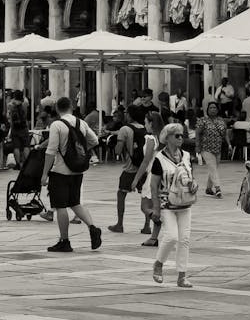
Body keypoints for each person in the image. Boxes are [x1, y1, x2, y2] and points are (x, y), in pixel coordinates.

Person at [40, 97, 102, 253]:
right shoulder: (81, 123)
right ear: (71, 107)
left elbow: (51, 151)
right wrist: (79, 151)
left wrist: (44, 174)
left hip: (60, 171)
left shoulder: (57, 125)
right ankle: (93, 228)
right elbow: (94, 141)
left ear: (57, 109)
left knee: (60, 206)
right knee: (75, 203)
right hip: (77, 170)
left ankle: (64, 240)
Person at [150, 124, 197, 287]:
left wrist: (193, 185)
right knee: (171, 236)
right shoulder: (159, 159)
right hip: (166, 204)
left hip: (185, 203)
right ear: (167, 137)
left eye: (181, 135)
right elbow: (153, 185)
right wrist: (155, 207)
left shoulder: (186, 156)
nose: (180, 138)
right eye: (176, 135)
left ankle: (182, 275)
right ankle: (158, 264)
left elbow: (191, 176)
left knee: (184, 239)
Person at [108, 104, 147, 233]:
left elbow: (118, 151)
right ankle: (147, 225)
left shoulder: (125, 129)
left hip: (130, 167)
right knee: (146, 196)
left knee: (121, 194)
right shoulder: (145, 128)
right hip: (144, 168)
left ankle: (120, 224)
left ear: (130, 115)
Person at [131, 111, 166, 245]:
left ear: (151, 123)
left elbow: (146, 161)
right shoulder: (163, 138)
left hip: (152, 174)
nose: (144, 125)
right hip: (162, 174)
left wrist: (136, 179)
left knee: (145, 207)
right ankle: (153, 238)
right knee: (155, 206)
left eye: (146, 122)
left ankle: (160, 221)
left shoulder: (151, 139)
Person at [195, 100, 227, 197]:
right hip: (206, 148)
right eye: (210, 108)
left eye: (214, 108)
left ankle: (209, 188)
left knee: (214, 168)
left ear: (217, 110)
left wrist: (229, 144)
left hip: (218, 148)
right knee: (212, 167)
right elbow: (197, 133)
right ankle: (217, 188)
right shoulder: (203, 120)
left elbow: (225, 134)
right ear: (207, 110)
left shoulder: (221, 120)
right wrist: (197, 146)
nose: (212, 110)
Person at [8, 90, 30, 169]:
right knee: (26, 146)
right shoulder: (25, 104)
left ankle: (18, 164)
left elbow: (9, 118)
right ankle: (27, 163)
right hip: (24, 128)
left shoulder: (11, 105)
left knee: (16, 147)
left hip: (15, 128)